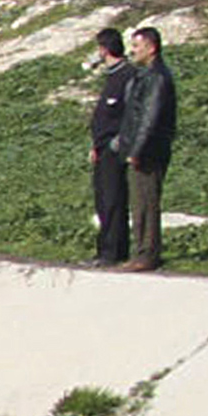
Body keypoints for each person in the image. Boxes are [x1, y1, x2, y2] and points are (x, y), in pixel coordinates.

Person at [110, 26, 176, 272]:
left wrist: (137, 150)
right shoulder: (145, 75)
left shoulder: (157, 77)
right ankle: (140, 250)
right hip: (139, 148)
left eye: (137, 46)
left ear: (151, 47)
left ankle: (146, 255)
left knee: (146, 203)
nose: (132, 51)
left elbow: (150, 118)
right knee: (138, 203)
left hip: (149, 152)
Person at [86, 29, 132, 266]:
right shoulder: (112, 76)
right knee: (102, 199)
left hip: (114, 148)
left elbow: (131, 114)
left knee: (113, 199)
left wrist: (118, 143)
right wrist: (96, 144)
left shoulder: (127, 75)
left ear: (104, 49)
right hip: (102, 147)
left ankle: (113, 251)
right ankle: (104, 248)